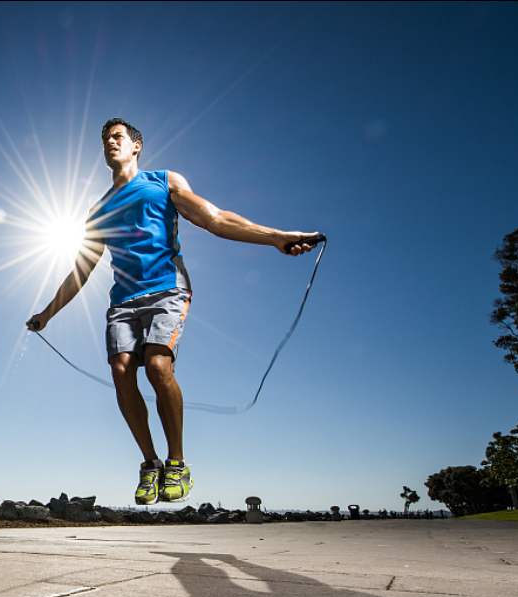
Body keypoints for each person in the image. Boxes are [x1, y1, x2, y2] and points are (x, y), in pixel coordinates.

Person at [26, 118, 320, 505]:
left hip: (166, 290)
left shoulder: (163, 181)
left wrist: (275, 238)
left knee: (158, 366)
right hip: (123, 301)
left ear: (136, 145)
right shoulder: (98, 210)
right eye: (104, 140)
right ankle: (150, 464)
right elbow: (81, 270)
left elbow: (213, 218)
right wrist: (47, 314)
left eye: (117, 137)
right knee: (121, 370)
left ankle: (177, 463)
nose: (109, 143)